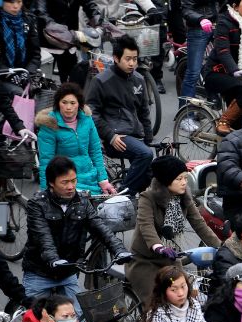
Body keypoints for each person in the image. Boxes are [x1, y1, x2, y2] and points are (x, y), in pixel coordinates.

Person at [22, 157, 131, 313]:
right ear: (51, 183)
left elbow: (99, 227)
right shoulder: (37, 204)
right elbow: (43, 236)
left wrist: (119, 249)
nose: (71, 186)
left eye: (73, 181)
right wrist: (53, 259)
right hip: (39, 273)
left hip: (68, 272)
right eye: (65, 182)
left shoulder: (82, 202)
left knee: (76, 318)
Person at [126, 156, 223, 304]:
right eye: (179, 179)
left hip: (170, 259)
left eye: (185, 178)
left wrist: (221, 247)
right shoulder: (148, 197)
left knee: (186, 298)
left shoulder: (184, 196)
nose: (184, 183)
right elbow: (146, 226)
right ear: (166, 180)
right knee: (156, 306)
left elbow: (199, 224)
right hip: (145, 260)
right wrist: (158, 247)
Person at [86, 35, 154, 194]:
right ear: (116, 58)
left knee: (150, 174)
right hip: (115, 138)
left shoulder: (139, 79)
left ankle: (136, 208)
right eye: (128, 59)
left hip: (135, 135)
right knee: (145, 155)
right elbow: (91, 113)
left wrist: (149, 138)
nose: (132, 63)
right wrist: (110, 136)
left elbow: (144, 111)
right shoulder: (101, 81)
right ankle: (121, 195)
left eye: (135, 59)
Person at [36, 82, 114, 195]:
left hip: (90, 178)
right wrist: (46, 191)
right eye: (64, 102)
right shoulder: (49, 125)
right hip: (66, 182)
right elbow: (46, 161)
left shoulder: (87, 120)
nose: (68, 107)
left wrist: (103, 180)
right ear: (58, 104)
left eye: (73, 103)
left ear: (79, 104)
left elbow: (95, 151)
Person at [205, 0, 242, 135]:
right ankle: (223, 121)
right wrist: (236, 70)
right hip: (217, 73)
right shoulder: (223, 23)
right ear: (235, 6)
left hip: (238, 74)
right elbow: (223, 51)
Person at [30, 0, 102, 84]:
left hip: (69, 41)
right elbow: (39, 10)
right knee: (44, 83)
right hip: (48, 41)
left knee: (71, 82)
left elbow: (89, 4)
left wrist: (97, 18)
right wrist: (50, 24)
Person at [179, 0, 220, 101]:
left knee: (228, 66)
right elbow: (186, 10)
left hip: (219, 25)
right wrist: (201, 19)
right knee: (193, 73)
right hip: (198, 28)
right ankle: (186, 112)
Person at [0, 0, 41, 83]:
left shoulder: (28, 20)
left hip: (24, 73)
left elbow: (35, 54)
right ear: (1, 3)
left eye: (19, 2)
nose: (16, 6)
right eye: (11, 2)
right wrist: (9, 74)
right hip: (1, 75)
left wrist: (28, 73)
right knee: (16, 92)